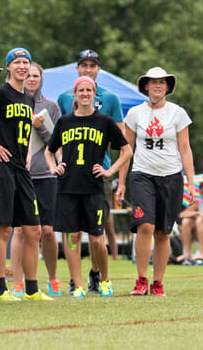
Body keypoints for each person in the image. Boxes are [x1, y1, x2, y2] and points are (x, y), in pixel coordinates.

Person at [46, 76, 131, 298]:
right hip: (68, 186)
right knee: (73, 237)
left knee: (96, 238)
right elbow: (49, 149)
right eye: (81, 90)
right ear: (74, 94)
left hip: (93, 186)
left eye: (89, 90)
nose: (85, 94)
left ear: (95, 93)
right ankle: (78, 284)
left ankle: (104, 280)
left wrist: (110, 171)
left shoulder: (104, 121)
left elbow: (126, 150)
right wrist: (54, 166)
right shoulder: (65, 121)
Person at [0, 47, 51, 301]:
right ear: (9, 67)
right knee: (2, 229)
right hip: (2, 167)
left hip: (21, 169)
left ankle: (32, 290)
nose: (22, 66)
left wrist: (26, 151)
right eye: (18, 62)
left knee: (33, 230)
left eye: (26, 62)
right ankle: (2, 290)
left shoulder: (28, 98)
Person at [124, 67, 195, 296]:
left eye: (162, 82)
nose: (157, 86)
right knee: (145, 225)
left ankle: (158, 283)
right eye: (153, 82)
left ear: (167, 87)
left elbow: (185, 149)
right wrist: (122, 182)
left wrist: (191, 182)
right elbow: (127, 150)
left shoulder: (177, 113)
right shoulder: (135, 113)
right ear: (145, 86)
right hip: (142, 174)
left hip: (171, 176)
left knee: (163, 232)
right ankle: (141, 279)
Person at [58, 49, 124, 294]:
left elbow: (122, 142)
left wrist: (118, 177)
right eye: (83, 65)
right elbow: (60, 134)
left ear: (98, 70)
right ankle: (75, 282)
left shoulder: (111, 98)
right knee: (72, 231)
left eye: (92, 65)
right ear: (77, 68)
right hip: (71, 173)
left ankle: (97, 274)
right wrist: (59, 163)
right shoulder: (65, 97)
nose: (87, 69)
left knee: (98, 232)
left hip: (99, 172)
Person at [10, 62, 61, 297]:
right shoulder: (12, 101)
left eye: (35, 76)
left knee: (48, 231)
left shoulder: (50, 106)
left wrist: (40, 128)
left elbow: (57, 141)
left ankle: (52, 278)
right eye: (28, 75)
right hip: (21, 174)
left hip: (46, 175)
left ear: (41, 79)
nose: (31, 79)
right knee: (20, 231)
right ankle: (18, 282)